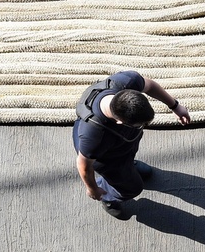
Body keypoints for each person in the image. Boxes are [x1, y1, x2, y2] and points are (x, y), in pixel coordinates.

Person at [73, 71, 191, 218]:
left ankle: (128, 166)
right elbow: (83, 166)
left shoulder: (125, 82)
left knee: (129, 155)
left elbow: (150, 85)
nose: (143, 126)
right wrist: (92, 189)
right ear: (120, 123)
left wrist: (175, 106)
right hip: (107, 159)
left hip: (124, 144)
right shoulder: (93, 136)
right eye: (139, 124)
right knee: (133, 188)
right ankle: (109, 197)